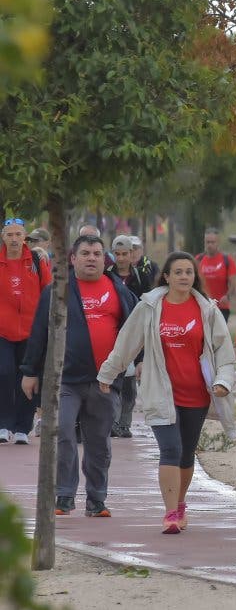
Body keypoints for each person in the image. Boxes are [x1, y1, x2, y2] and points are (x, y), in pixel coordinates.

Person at [97, 252, 236, 534]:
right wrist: (109, 373)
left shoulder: (207, 310)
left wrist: (223, 381)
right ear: (167, 277)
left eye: (189, 272)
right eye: (178, 272)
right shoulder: (149, 306)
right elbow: (127, 342)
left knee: (186, 455)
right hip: (162, 393)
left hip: (196, 394)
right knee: (170, 449)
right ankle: (171, 512)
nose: (184, 277)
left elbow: (224, 351)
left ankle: (181, 502)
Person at [21, 235, 137, 516]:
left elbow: (135, 329)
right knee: (61, 432)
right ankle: (64, 495)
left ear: (104, 258)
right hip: (64, 380)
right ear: (73, 258)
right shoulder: (56, 291)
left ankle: (97, 500)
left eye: (97, 253)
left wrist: (140, 362)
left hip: (105, 381)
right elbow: (39, 333)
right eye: (85, 253)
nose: (91, 258)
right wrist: (29, 372)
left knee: (98, 442)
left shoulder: (118, 289)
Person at [1, 217, 52, 444]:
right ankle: (3, 424)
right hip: (2, 331)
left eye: (18, 235)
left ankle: (23, 427)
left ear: (25, 237)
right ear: (3, 237)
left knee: (28, 378)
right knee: (4, 373)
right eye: (9, 235)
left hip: (32, 332)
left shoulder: (36, 260)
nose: (14, 239)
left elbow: (48, 291)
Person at [110, 235, 155, 438]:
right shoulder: (106, 276)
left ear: (132, 255)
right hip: (111, 335)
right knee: (111, 383)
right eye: (117, 254)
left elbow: (149, 306)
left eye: (125, 254)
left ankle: (124, 423)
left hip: (135, 336)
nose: (121, 258)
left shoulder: (141, 278)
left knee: (129, 385)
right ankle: (111, 421)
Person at [197, 227, 236, 321]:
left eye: (212, 242)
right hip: (203, 306)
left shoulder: (227, 260)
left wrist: (227, 296)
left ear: (218, 243)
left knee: (218, 335)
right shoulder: (198, 260)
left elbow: (233, 284)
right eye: (207, 242)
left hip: (221, 307)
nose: (210, 245)